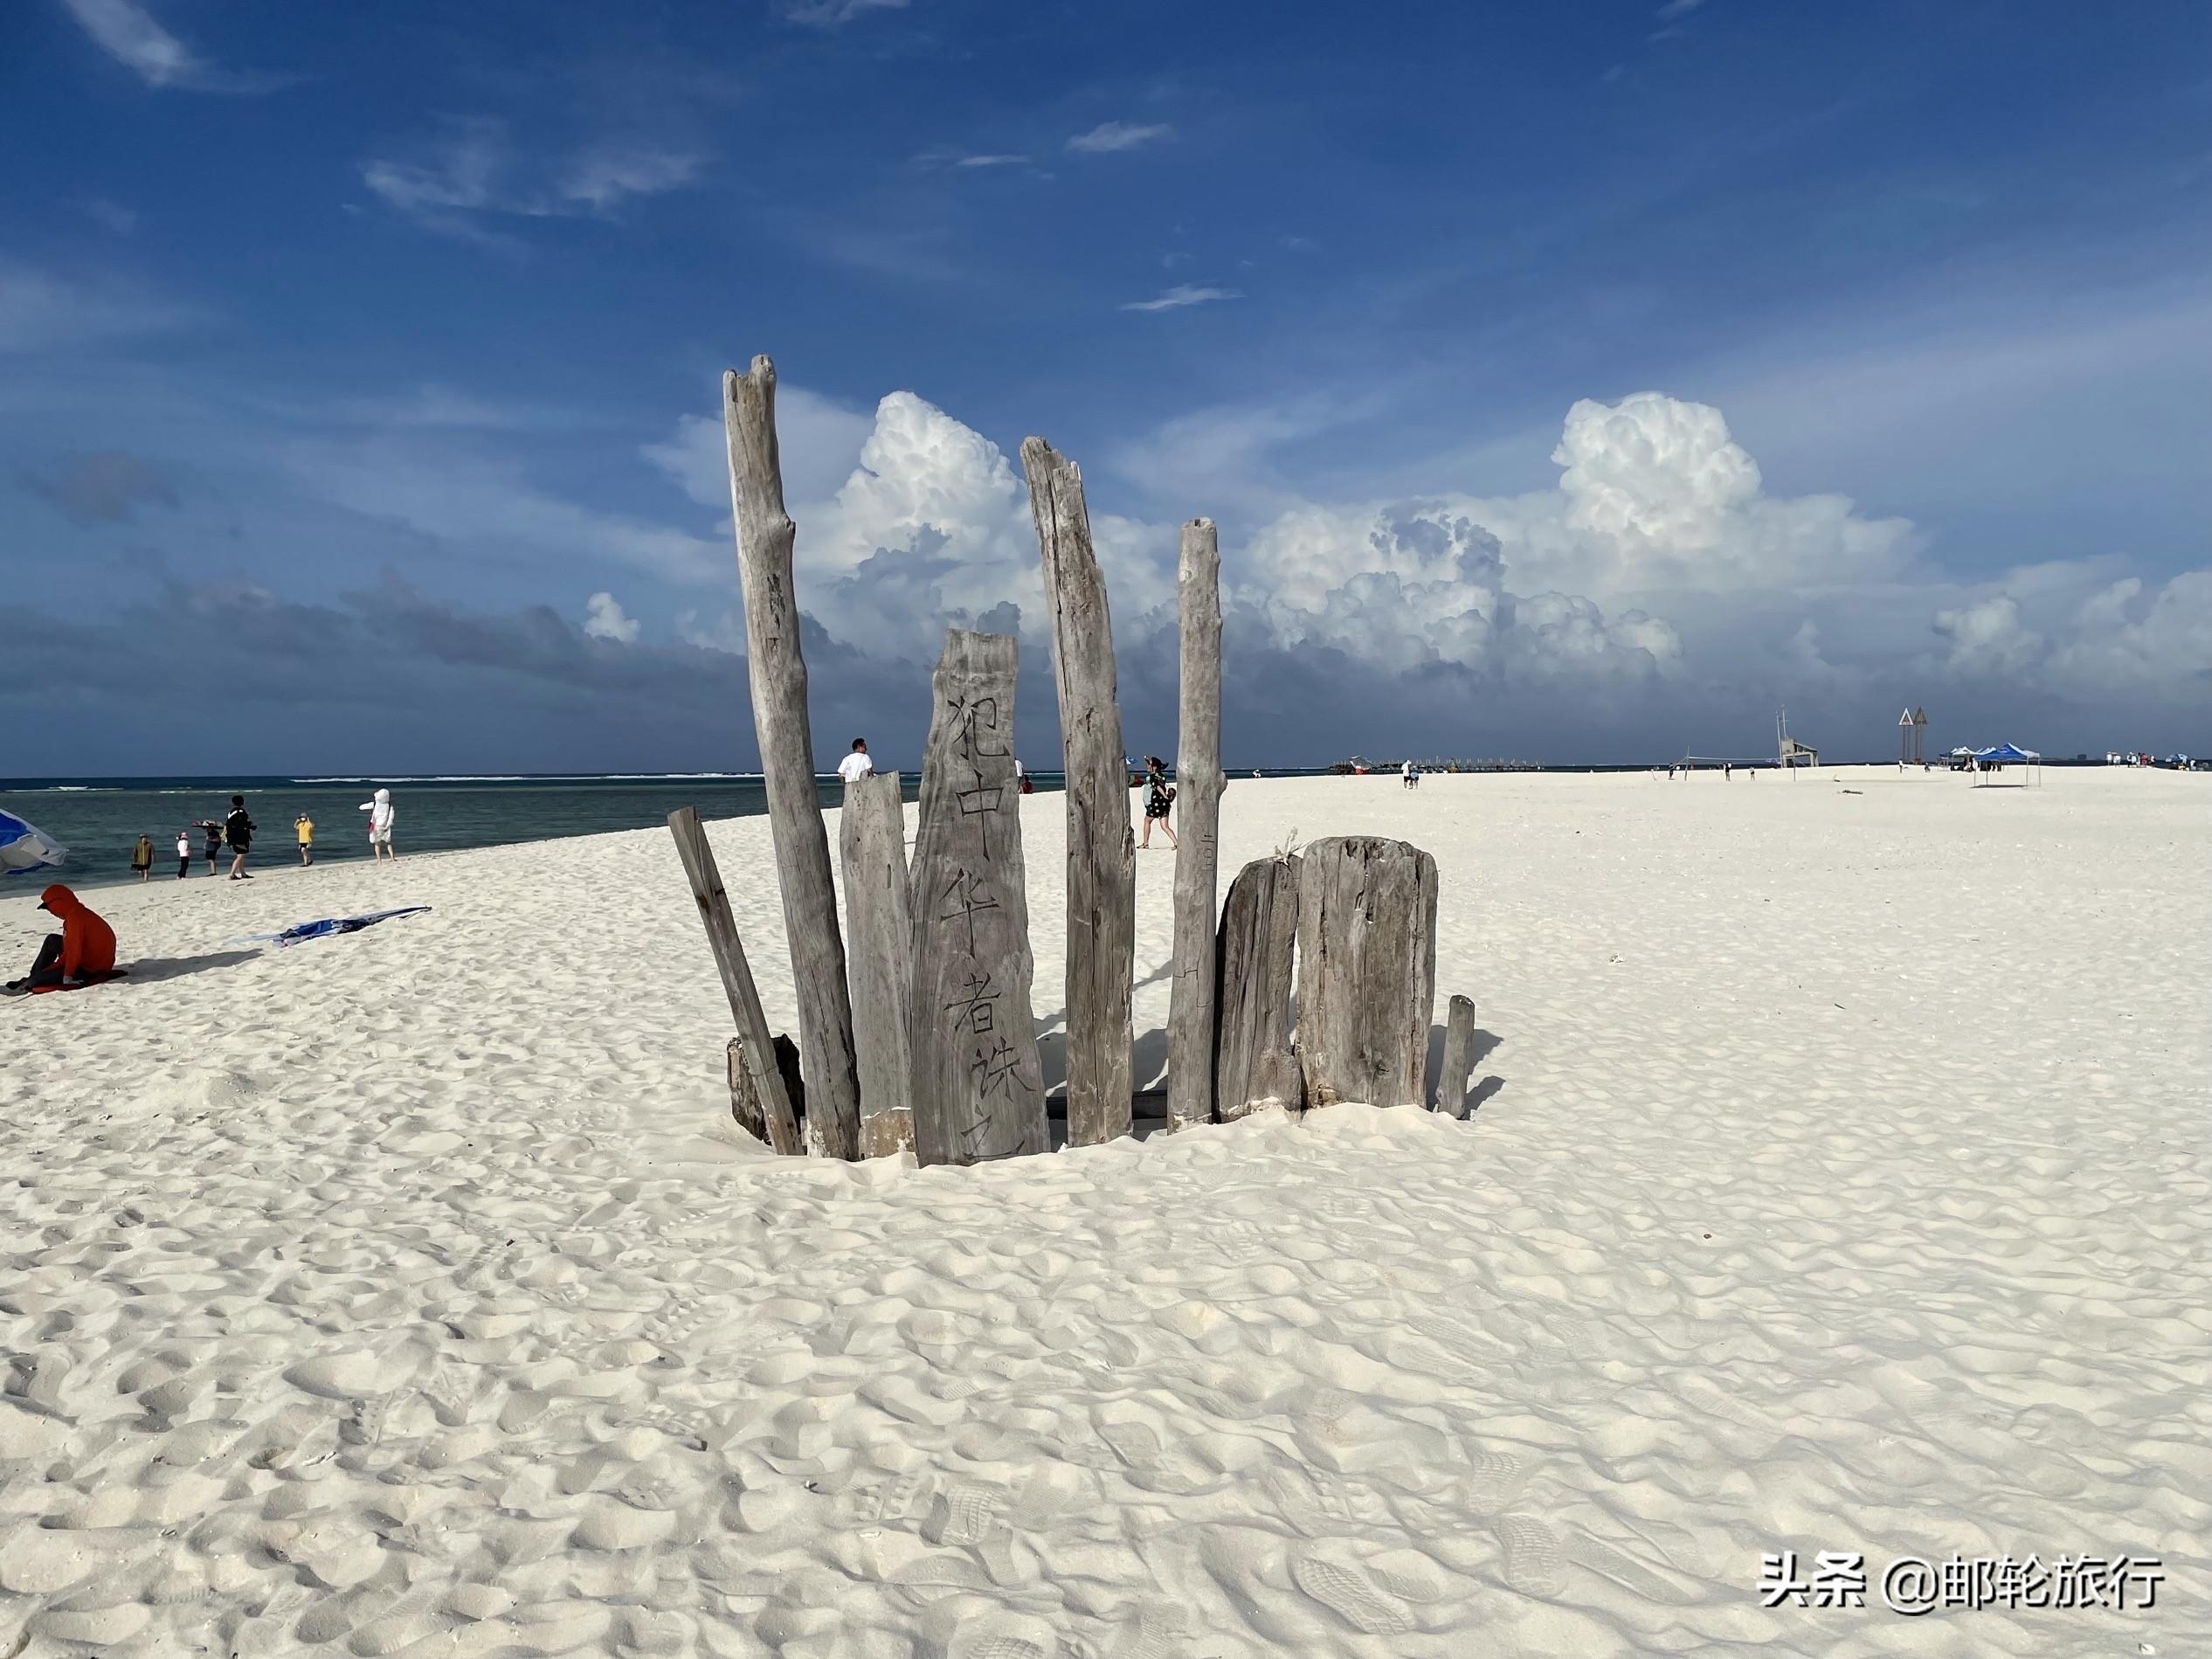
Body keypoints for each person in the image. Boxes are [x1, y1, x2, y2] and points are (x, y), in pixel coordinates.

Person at [4, 885, 116, 995]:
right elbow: (70, 950)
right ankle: (32, 977)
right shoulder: (77, 912)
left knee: (38, 979)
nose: (50, 912)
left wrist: (68, 976)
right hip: (90, 957)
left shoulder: (75, 918)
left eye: (48, 907)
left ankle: (30, 981)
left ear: (59, 902)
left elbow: (74, 951)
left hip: (91, 968)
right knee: (52, 940)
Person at [1139, 755, 1178, 850]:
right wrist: (1147, 761)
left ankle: (1145, 843)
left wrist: (1164, 795)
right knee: (1165, 826)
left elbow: (1157, 787)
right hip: (1164, 804)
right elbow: (1151, 769)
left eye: (1151, 764)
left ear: (1155, 767)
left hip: (1156, 804)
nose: (1148, 766)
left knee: (1147, 821)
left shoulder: (1153, 777)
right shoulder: (1161, 776)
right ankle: (1177, 843)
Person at [359, 787, 397, 861]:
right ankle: (392, 858)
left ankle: (379, 861)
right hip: (386, 826)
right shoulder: (389, 806)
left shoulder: (375, 804)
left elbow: (361, 807)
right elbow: (391, 818)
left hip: (376, 826)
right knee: (388, 843)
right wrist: (387, 826)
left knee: (377, 844)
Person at [225, 796, 255, 881]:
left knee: (240, 854)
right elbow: (243, 824)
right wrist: (251, 826)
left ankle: (243, 873)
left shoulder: (231, 812)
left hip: (231, 836)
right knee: (241, 855)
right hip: (239, 836)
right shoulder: (241, 812)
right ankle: (232, 874)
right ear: (242, 802)